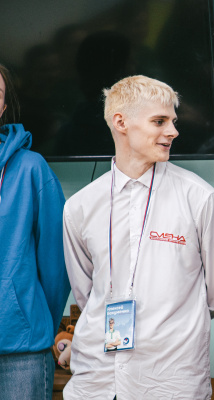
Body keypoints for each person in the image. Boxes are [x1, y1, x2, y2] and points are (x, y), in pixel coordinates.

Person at [62, 75, 214, 399]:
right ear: (120, 122)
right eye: (159, 121)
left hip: (170, 381)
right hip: (96, 381)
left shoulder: (200, 198)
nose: (173, 131)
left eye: (173, 121)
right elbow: (87, 294)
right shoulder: (80, 206)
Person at [0, 64, 70, 400]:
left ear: (3, 107)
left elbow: (56, 264)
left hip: (21, 351)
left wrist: (33, 318)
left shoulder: (31, 168)